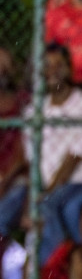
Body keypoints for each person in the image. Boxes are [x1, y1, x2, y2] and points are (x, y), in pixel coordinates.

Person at [11, 47, 82, 262]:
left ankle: (51, 273)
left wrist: (42, 195)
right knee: (5, 209)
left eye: (59, 65)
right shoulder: (35, 108)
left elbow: (72, 160)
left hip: (78, 183)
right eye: (46, 66)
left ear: (70, 70)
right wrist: (30, 191)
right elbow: (29, 159)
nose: (52, 71)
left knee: (46, 207)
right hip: (42, 183)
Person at [0, 50, 26, 229]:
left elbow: (23, 153)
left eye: (6, 68)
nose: (2, 73)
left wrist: (4, 181)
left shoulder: (24, 101)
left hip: (16, 176)